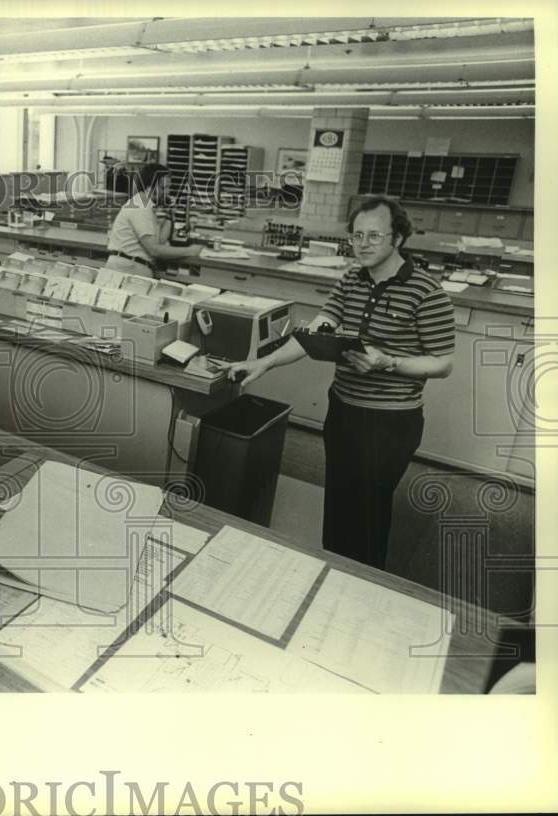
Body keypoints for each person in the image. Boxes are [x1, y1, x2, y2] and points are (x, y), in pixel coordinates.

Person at [219, 195, 455, 569]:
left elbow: (443, 363)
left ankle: (363, 585)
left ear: (398, 239)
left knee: (368, 514)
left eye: (374, 236)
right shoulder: (350, 279)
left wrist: (388, 362)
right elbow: (316, 330)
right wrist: (263, 363)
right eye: (356, 235)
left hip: (390, 422)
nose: (362, 244)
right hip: (344, 410)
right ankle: (331, 571)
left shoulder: (427, 292)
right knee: (339, 501)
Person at [106, 162, 203, 277]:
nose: (167, 192)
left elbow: (160, 241)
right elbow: (154, 250)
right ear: (149, 187)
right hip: (128, 269)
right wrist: (191, 251)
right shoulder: (140, 208)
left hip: (130, 267)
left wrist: (169, 214)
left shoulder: (145, 206)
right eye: (163, 188)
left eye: (168, 187)